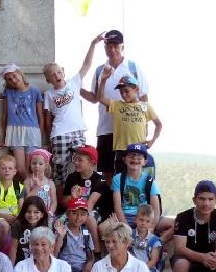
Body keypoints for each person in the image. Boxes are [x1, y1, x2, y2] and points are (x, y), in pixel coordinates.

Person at [80, 29, 150, 182]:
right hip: (106, 128)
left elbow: (144, 96)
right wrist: (74, 88)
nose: (112, 49)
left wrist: (145, 125)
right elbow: (94, 97)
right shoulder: (100, 70)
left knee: (131, 171)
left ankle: (127, 204)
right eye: (108, 46)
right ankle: (113, 203)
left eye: (115, 46)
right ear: (104, 47)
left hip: (129, 132)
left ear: (122, 46)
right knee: (107, 171)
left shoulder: (133, 68)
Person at [43, 35, 100, 197]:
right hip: (59, 134)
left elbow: (86, 64)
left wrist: (93, 43)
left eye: (58, 72)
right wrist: (48, 140)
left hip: (77, 131)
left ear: (63, 71)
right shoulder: (48, 94)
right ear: (48, 79)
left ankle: (80, 198)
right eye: (52, 75)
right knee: (60, 168)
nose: (57, 76)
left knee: (81, 164)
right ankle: (61, 201)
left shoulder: (74, 83)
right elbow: (48, 119)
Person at [94, 67, 160, 174]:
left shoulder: (146, 106)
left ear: (136, 89)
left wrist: (152, 140)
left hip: (139, 150)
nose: (124, 95)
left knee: (139, 181)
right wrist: (103, 80)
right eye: (121, 92)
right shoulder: (117, 105)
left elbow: (158, 124)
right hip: (122, 151)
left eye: (126, 91)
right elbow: (101, 98)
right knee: (121, 181)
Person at [0, 64, 44, 179]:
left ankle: (32, 194)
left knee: (31, 167)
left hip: (32, 131)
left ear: (20, 73)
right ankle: (29, 192)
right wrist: (3, 138)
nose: (13, 80)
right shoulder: (8, 92)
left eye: (14, 75)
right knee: (20, 169)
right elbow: (5, 115)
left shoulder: (35, 91)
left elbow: (40, 116)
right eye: (9, 79)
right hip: (15, 130)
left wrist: (39, 136)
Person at [63, 144, 105, 252]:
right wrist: (73, 198)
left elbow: (90, 204)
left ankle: (96, 250)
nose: (75, 162)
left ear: (92, 162)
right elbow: (65, 202)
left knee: (89, 219)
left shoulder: (99, 179)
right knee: (58, 221)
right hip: (73, 209)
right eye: (75, 159)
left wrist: (77, 204)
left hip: (92, 211)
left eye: (80, 160)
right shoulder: (71, 177)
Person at [108, 144, 160, 229]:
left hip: (145, 217)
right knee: (102, 228)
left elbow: (156, 209)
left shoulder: (149, 181)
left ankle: (156, 241)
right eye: (131, 156)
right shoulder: (118, 178)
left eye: (139, 158)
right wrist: (126, 228)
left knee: (173, 224)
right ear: (124, 159)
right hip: (124, 216)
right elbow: (117, 207)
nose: (135, 159)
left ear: (144, 162)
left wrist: (151, 228)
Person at [0, 154, 25, 253]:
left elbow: (21, 207)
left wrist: (17, 217)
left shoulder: (20, 187)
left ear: (15, 171)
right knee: (5, 226)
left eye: (10, 168)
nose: (7, 170)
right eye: (3, 168)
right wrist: (7, 217)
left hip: (15, 217)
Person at [9, 195, 50, 265]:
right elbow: (13, 248)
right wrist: (11, 268)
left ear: (42, 214)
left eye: (36, 212)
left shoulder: (45, 227)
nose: (32, 215)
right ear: (24, 213)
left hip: (38, 264)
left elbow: (47, 251)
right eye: (28, 212)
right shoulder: (18, 224)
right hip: (20, 263)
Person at [23, 149, 56, 216]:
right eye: (34, 163)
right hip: (32, 215)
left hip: (47, 214)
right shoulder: (27, 181)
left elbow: (54, 202)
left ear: (46, 166)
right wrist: (36, 188)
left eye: (40, 164)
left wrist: (50, 213)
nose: (37, 166)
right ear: (30, 164)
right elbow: (26, 200)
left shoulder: (50, 183)